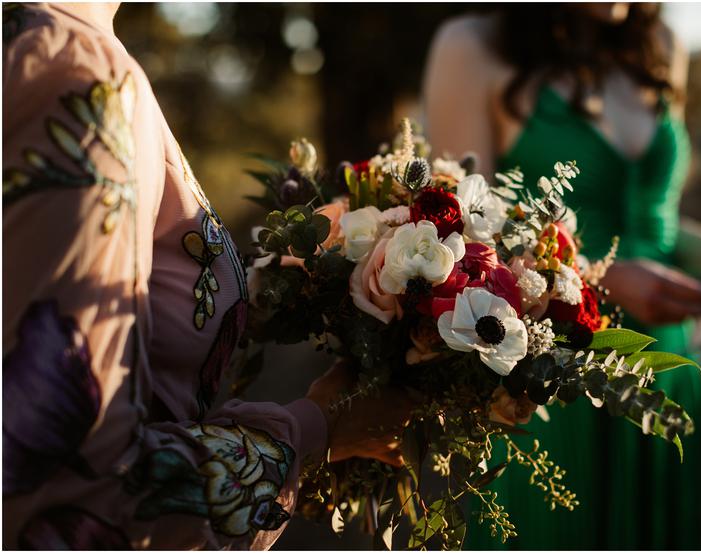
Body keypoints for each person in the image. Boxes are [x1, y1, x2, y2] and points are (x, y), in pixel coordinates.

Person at [2, 3, 409, 549]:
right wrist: (319, 428)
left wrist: (278, 279)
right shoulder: (79, 75)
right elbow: (78, 488)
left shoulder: (44, 42)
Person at [423, 4, 701, 549]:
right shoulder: (473, 45)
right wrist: (603, 278)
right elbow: (467, 239)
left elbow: (659, 230)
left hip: (663, 366)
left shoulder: (660, 48)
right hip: (551, 372)